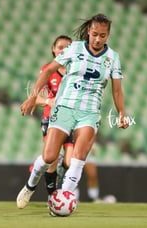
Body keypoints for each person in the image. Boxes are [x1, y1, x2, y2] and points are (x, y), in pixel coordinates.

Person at [16, 13, 128, 213]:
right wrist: (33, 96)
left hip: (90, 113)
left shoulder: (113, 58)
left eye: (102, 35)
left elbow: (117, 90)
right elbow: (48, 70)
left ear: (108, 35)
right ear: (88, 32)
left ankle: (60, 203)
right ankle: (30, 186)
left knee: (78, 158)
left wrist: (122, 113)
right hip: (65, 107)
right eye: (94, 34)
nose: (98, 39)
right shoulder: (74, 49)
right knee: (49, 157)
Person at [34, 35, 74, 196]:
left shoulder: (77, 70)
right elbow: (36, 97)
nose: (63, 50)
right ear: (53, 49)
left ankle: (58, 175)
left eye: (67, 47)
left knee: (69, 162)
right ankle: (52, 195)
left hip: (71, 120)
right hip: (52, 119)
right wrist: (49, 101)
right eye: (60, 47)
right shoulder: (47, 70)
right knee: (51, 158)